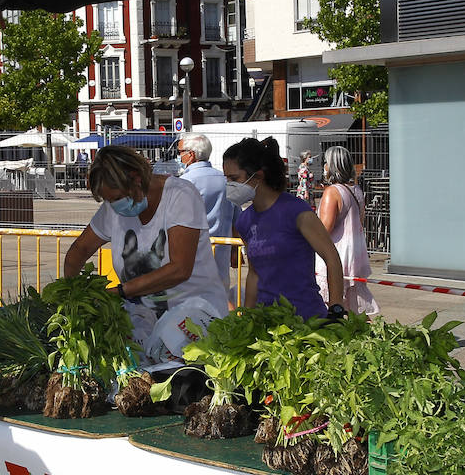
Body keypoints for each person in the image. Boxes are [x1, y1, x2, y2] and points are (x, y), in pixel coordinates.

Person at [63, 144, 229, 363]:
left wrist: (119, 292)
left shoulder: (180, 195)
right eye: (108, 200)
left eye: (117, 198)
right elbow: (79, 250)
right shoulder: (113, 208)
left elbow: (179, 269)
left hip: (193, 318)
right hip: (144, 322)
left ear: (136, 178)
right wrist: (71, 294)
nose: (114, 205)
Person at [223, 137, 346, 319]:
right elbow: (254, 273)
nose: (229, 185)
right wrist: (247, 316)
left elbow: (332, 258)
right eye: (226, 178)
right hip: (266, 321)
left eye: (234, 178)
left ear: (258, 175)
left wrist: (336, 308)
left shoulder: (296, 211)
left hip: (305, 318)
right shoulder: (245, 220)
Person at [316, 145, 379, 316]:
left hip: (335, 255)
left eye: (326, 163)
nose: (325, 167)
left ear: (332, 165)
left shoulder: (332, 192)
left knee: (329, 305)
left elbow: (323, 231)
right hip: (354, 254)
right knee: (354, 310)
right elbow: (359, 221)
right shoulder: (356, 190)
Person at [176, 133, 236, 281]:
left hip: (191, 259)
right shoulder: (226, 180)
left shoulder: (183, 183)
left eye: (180, 152)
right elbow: (236, 220)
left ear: (191, 155)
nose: (179, 156)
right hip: (221, 257)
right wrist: (235, 251)